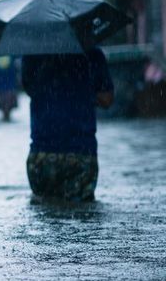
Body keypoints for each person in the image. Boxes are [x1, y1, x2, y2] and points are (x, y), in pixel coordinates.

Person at [21, 48, 114, 202]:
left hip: (42, 156)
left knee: (45, 214)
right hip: (81, 155)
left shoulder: (32, 52)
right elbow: (107, 99)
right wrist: (82, 93)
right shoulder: (92, 53)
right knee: (81, 217)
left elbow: (29, 89)